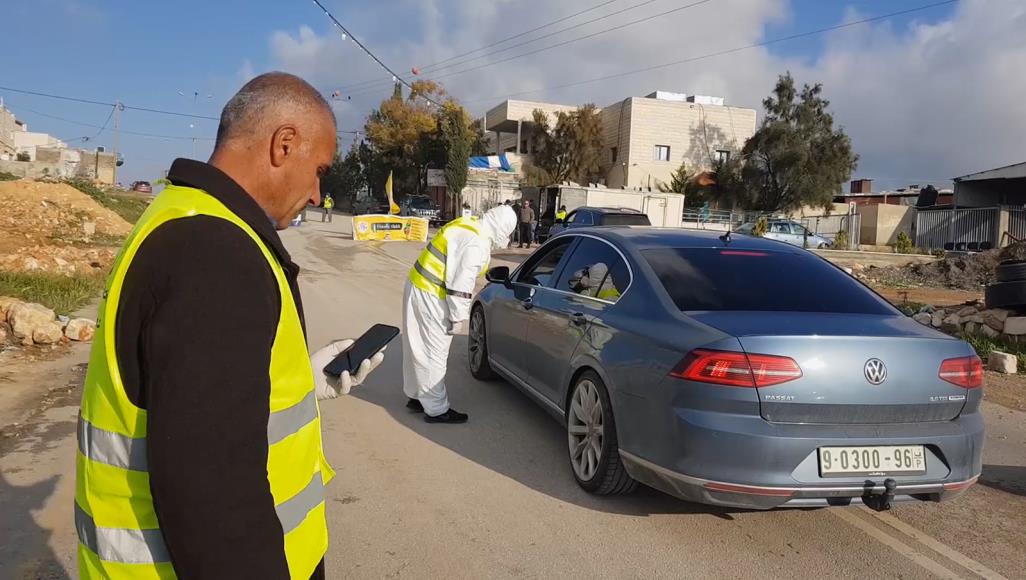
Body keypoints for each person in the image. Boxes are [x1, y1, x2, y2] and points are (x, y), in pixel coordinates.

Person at [74, 72, 384, 580]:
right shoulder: (215, 253)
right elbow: (212, 495)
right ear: (284, 144)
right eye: (319, 170)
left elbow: (196, 403)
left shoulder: (184, 217)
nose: (315, 193)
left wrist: (305, 380)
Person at [403, 205, 518, 423]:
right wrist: (457, 317)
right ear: (503, 228)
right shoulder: (476, 243)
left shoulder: (469, 226)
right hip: (433, 295)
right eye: (510, 231)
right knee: (435, 352)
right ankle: (436, 409)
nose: (509, 237)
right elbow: (461, 285)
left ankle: (417, 396)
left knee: (416, 346)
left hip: (417, 285)